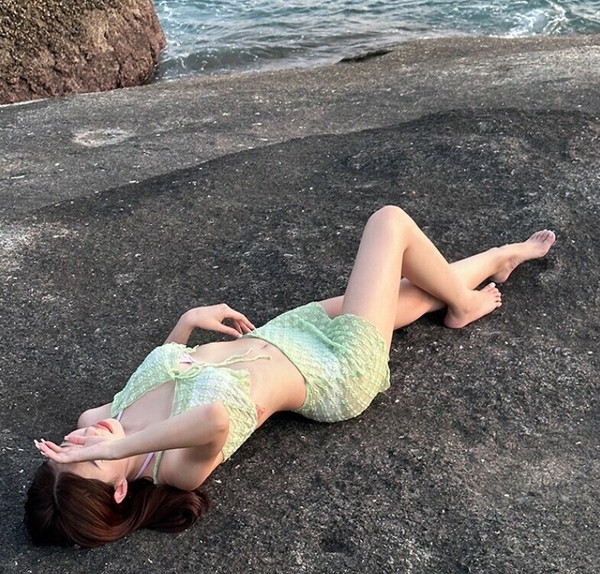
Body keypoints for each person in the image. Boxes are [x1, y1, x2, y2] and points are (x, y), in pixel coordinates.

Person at [25, 206, 556, 547]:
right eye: (93, 457)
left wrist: (186, 323)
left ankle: (498, 259)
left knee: (409, 292)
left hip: (287, 332)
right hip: (334, 372)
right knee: (389, 224)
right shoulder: (175, 470)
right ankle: (467, 301)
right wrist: (121, 447)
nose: (88, 440)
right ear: (120, 488)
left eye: (69, 448)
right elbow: (212, 419)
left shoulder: (99, 418)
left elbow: (158, 371)